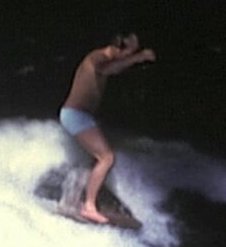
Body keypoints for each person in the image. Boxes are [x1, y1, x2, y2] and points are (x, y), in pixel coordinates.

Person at [59, 33, 156, 223]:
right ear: (116, 46)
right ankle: (89, 206)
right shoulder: (97, 57)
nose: (129, 53)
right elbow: (109, 69)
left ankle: (73, 198)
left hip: (81, 116)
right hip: (75, 115)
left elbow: (113, 68)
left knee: (95, 158)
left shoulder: (105, 59)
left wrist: (134, 56)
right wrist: (139, 57)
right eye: (128, 49)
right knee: (106, 157)